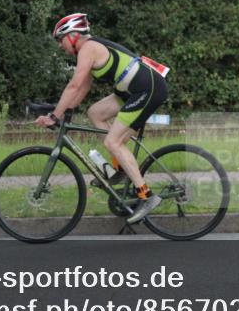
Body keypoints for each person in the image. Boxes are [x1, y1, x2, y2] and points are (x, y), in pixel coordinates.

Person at [35, 13, 169, 224]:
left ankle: (146, 196)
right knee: (95, 113)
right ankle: (120, 170)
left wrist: (54, 116)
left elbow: (74, 86)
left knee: (112, 141)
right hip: (132, 91)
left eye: (61, 41)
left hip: (146, 89)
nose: (61, 47)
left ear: (72, 36)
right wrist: (65, 111)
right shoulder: (88, 51)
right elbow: (82, 89)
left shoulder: (88, 49)